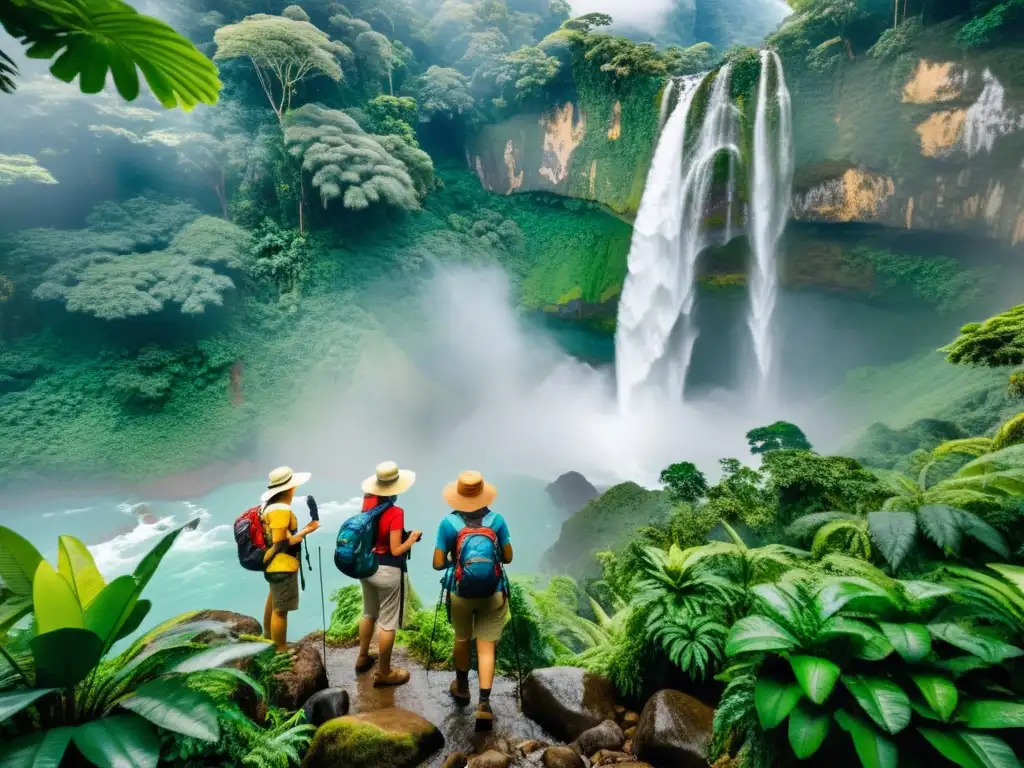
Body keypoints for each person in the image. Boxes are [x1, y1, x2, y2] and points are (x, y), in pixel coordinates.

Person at [433, 470, 512, 730]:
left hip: (460, 592)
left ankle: (462, 687)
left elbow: (436, 563)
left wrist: (456, 561)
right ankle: (484, 705)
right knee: (487, 646)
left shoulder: (449, 524)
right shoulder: (497, 520)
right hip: (492, 593)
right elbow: (508, 557)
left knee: (462, 638)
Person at [355, 461, 421, 687]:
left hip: (366, 566)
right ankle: (384, 672)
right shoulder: (395, 512)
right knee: (388, 622)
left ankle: (363, 657)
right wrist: (411, 538)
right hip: (387, 570)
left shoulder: (367, 503)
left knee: (368, 613)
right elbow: (395, 549)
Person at [260, 466, 320, 651]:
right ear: (289, 488)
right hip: (282, 564)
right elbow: (280, 542)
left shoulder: (268, 505)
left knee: (273, 598)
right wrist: (305, 531)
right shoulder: (280, 510)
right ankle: (280, 649)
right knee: (281, 610)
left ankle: (268, 638)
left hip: (273, 565)